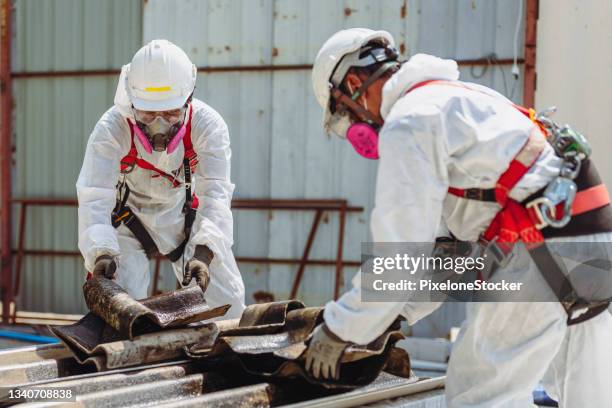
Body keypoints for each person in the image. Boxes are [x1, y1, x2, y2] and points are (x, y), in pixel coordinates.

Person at [304, 28, 612, 407]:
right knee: (584, 392)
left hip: (536, 246)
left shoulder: (409, 122)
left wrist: (340, 328)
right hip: (588, 237)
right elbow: (450, 249)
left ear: (353, 83)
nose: (355, 127)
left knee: (480, 395)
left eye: (343, 113)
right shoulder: (461, 98)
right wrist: (393, 313)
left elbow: (401, 258)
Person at [76, 39, 245, 318]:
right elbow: (94, 195)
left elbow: (216, 193)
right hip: (127, 223)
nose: (159, 125)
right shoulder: (112, 128)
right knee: (121, 312)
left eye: (170, 113)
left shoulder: (207, 126)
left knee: (228, 308)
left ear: (188, 100)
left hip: (184, 221)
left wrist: (204, 254)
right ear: (130, 102)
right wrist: (101, 252)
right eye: (147, 113)